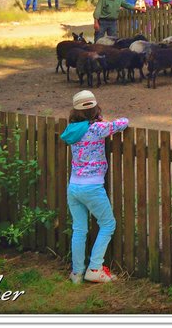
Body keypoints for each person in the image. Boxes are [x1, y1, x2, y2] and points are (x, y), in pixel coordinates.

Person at [60, 89, 128, 284]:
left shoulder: (72, 130)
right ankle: (95, 268)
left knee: (79, 229)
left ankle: (77, 273)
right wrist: (102, 120)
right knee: (108, 224)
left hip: (74, 187)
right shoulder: (97, 129)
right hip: (92, 187)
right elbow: (123, 123)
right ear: (95, 109)